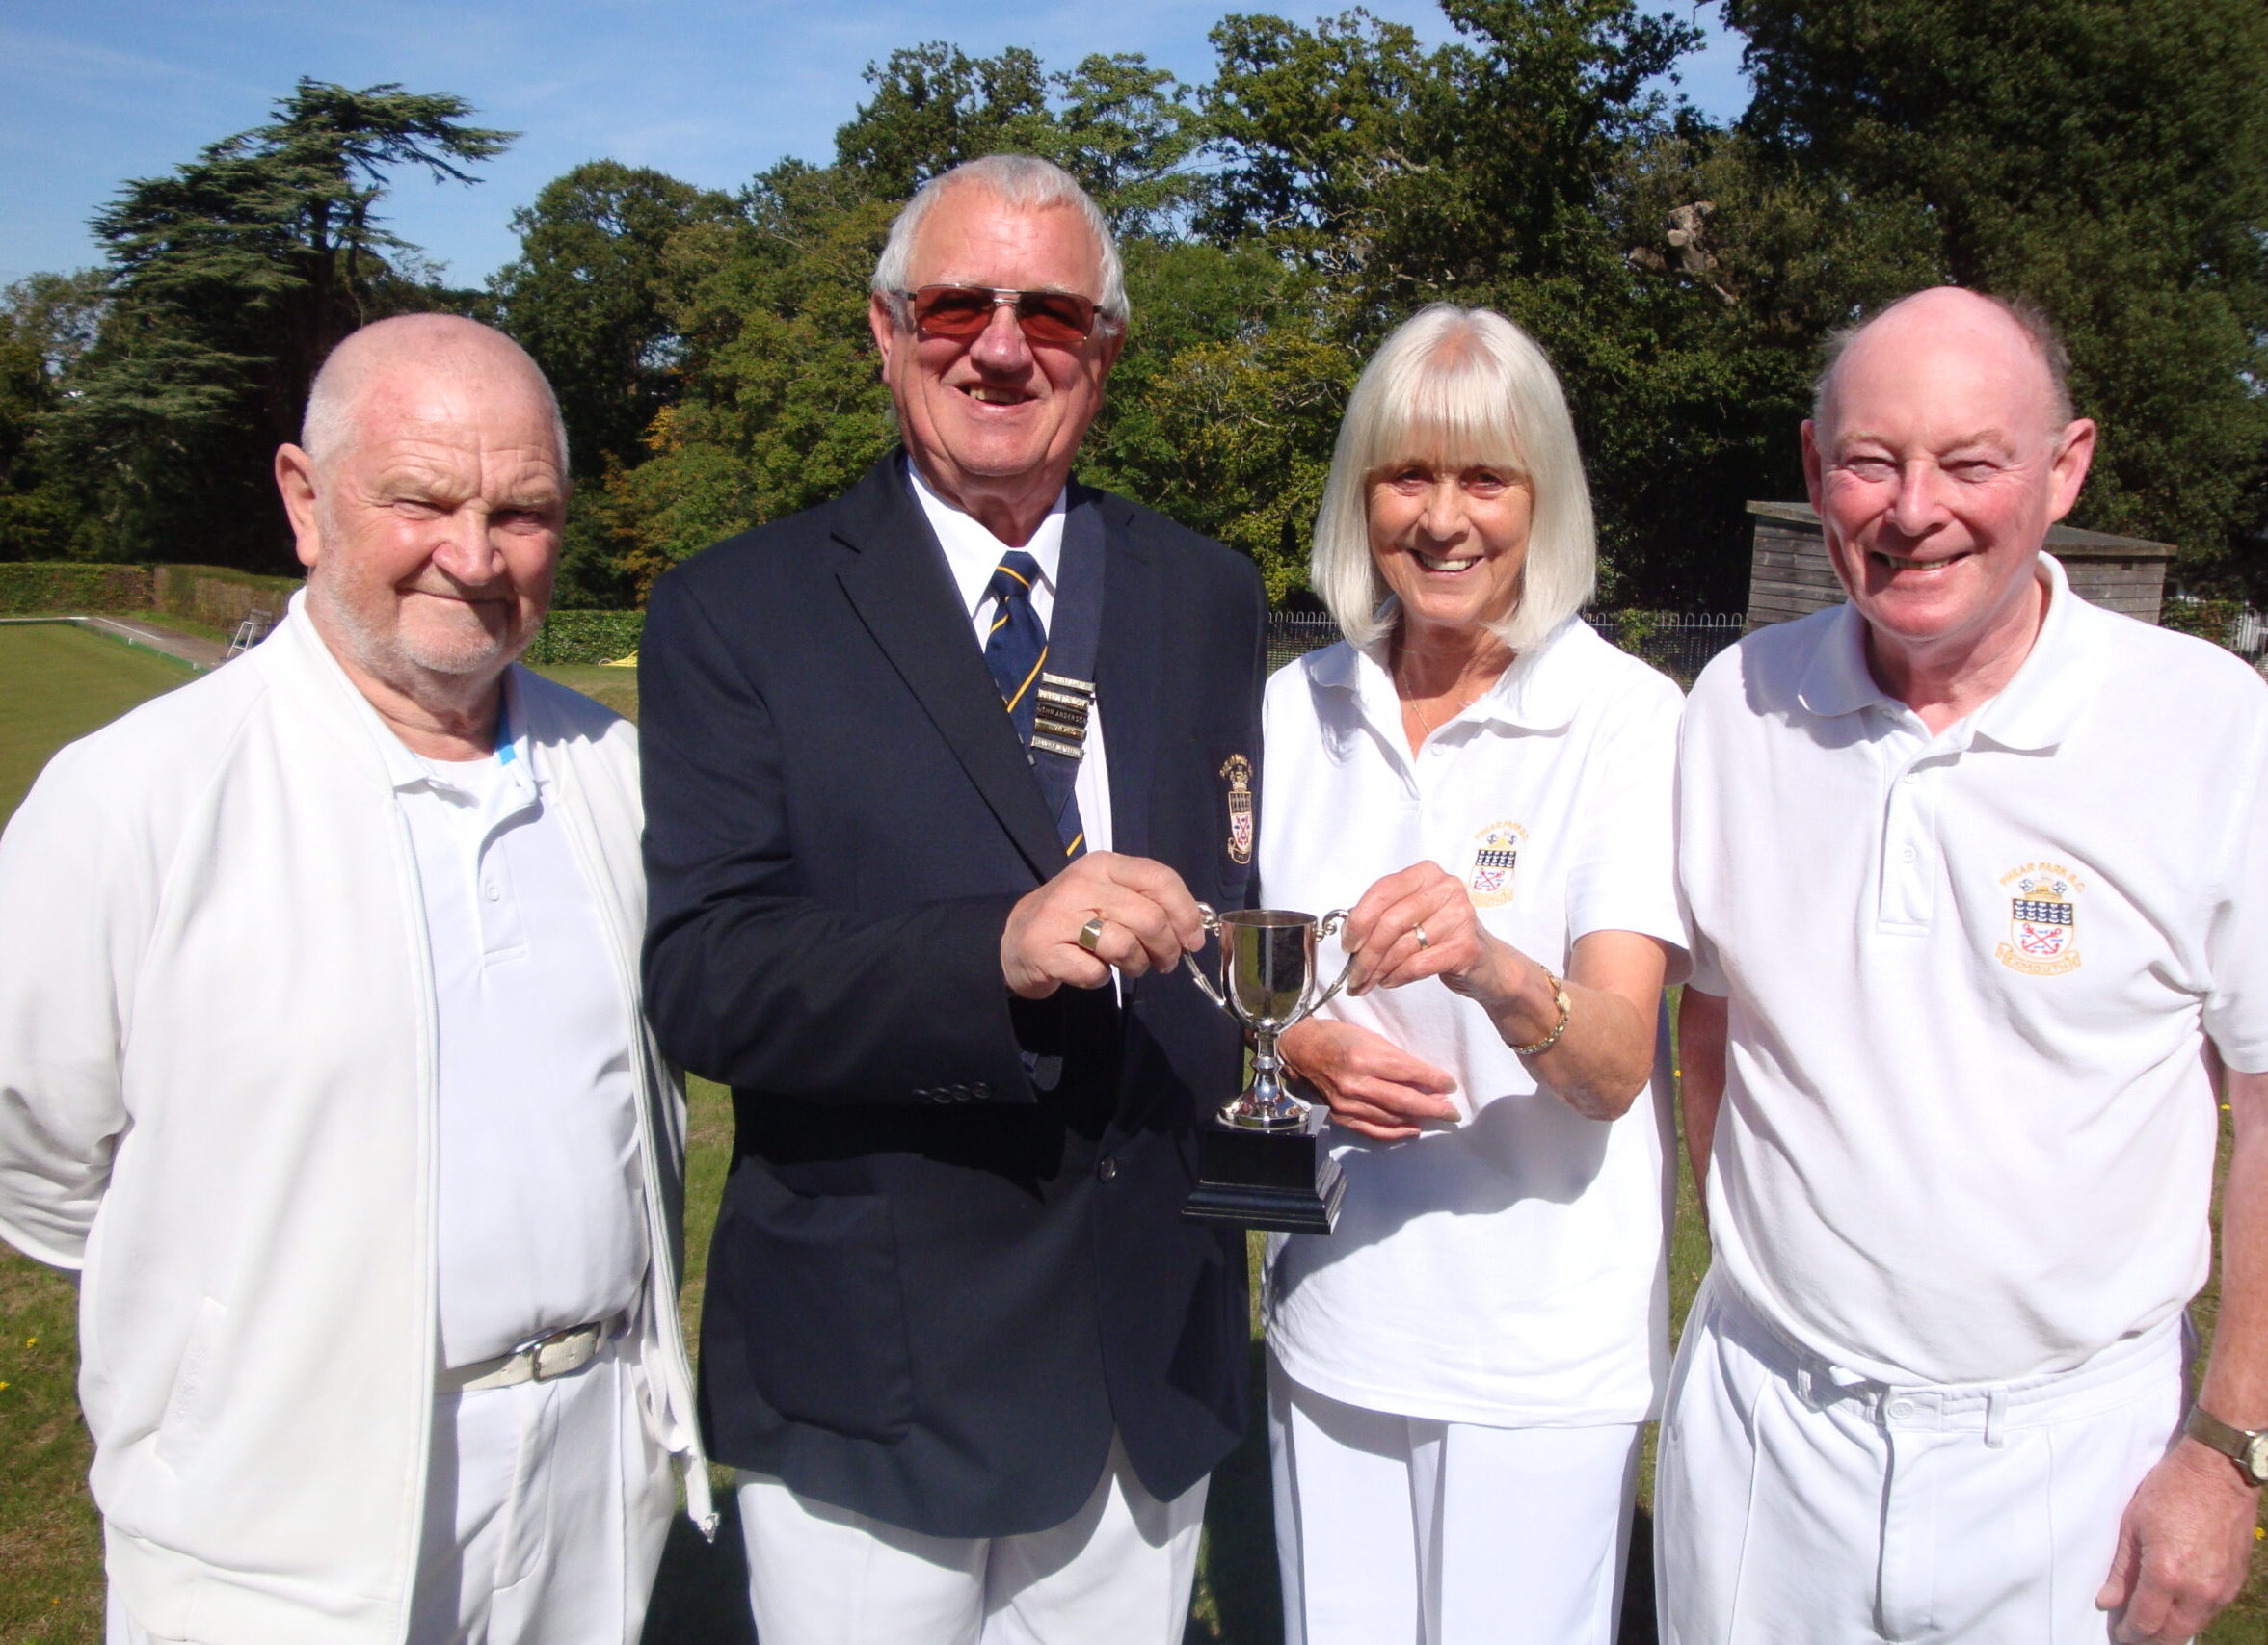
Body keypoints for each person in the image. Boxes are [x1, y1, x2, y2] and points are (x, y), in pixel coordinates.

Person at [0, 313, 707, 1645]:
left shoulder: (619, 777)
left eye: (523, 510)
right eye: (423, 499)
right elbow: (40, 1155)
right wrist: (227, 1345)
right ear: (303, 502)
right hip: (273, 1524)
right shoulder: (132, 799)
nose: (473, 554)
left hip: (593, 1487)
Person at [1664, 286, 2268, 1645]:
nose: (1914, 507)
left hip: (2068, 1464)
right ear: (1815, 471)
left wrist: (2225, 1452)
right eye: (1870, 460)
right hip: (1761, 1435)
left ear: (2064, 467)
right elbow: (1709, 1035)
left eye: (1971, 461)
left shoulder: (2202, 724)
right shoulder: (1733, 708)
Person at [637, 153, 1265, 1645]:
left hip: (1142, 1350)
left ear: (1102, 349)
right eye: (955, 307)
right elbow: (708, 973)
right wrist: (991, 951)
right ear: (883, 329)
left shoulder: (1201, 591)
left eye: (1049, 312)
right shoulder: (740, 608)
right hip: (880, 1369)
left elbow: (1229, 910)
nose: (999, 346)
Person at [1257, 305, 1687, 1645]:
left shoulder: (1625, 719)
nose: (1443, 520)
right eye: (1407, 475)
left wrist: (1494, 965)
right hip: (1332, 1317)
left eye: (1484, 478)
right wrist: (1295, 1049)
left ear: (1539, 500)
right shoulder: (1293, 706)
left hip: (1535, 1350)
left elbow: (1614, 1067)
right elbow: (1253, 993)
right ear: (1359, 495)